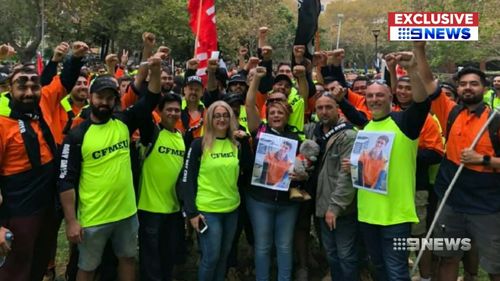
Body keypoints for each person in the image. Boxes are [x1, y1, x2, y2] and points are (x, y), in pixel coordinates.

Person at [58, 53, 163, 281]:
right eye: (100, 97)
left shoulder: (124, 122)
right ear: (90, 98)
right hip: (93, 217)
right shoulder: (77, 136)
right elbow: (65, 181)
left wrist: (155, 70)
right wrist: (71, 221)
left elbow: (152, 98)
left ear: (116, 100)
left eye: (109, 98)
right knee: (87, 267)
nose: (104, 102)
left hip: (126, 213)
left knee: (126, 259)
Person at [334, 51, 431, 280]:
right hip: (368, 214)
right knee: (378, 268)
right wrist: (355, 165)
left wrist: (412, 70)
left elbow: (422, 103)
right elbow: (373, 165)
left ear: (390, 97)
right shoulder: (367, 129)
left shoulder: (404, 123)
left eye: (380, 95)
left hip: (396, 216)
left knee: (396, 271)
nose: (374, 99)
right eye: (370, 96)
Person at [0, 41, 87, 281]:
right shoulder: (2, 124)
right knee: (16, 270)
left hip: (49, 205)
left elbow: (64, 81)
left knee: (38, 263)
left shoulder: (45, 101)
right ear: (10, 88)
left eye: (34, 85)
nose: (29, 91)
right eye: (22, 85)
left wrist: (75, 57)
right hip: (18, 209)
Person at [414, 42, 500, 281]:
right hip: (451, 201)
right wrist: (419, 50)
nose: (467, 88)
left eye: (473, 84)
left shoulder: (495, 122)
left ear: (484, 88)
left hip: (487, 207)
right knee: (447, 257)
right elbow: (429, 82)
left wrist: (483, 160)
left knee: (494, 265)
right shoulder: (450, 111)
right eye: (462, 84)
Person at [245, 65, 308, 281]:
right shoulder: (260, 130)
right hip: (259, 200)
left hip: (286, 203)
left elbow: (303, 167)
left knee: (284, 246)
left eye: (280, 112)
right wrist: (257, 79)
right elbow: (249, 104)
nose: (275, 115)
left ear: (287, 115)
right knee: (263, 247)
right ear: (267, 115)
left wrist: (301, 175)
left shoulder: (294, 138)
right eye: (272, 112)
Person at [180, 101, 241, 281]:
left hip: (231, 209)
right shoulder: (199, 144)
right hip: (208, 210)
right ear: (210, 118)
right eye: (217, 115)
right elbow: (187, 179)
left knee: (223, 256)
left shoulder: (237, 144)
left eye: (225, 115)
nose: (221, 119)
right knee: (211, 257)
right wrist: (191, 213)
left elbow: (245, 170)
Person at [307, 93, 359, 281]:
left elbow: (347, 176)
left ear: (337, 108)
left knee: (345, 255)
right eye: (319, 108)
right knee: (331, 254)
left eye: (328, 107)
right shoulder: (314, 132)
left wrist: (335, 207)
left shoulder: (348, 135)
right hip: (320, 203)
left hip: (340, 208)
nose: (324, 111)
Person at [137, 93, 186, 281]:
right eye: (169, 109)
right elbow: (142, 109)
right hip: (150, 207)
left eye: (177, 110)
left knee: (168, 257)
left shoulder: (181, 137)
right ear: (160, 111)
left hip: (173, 208)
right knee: (150, 260)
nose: (173, 113)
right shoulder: (152, 132)